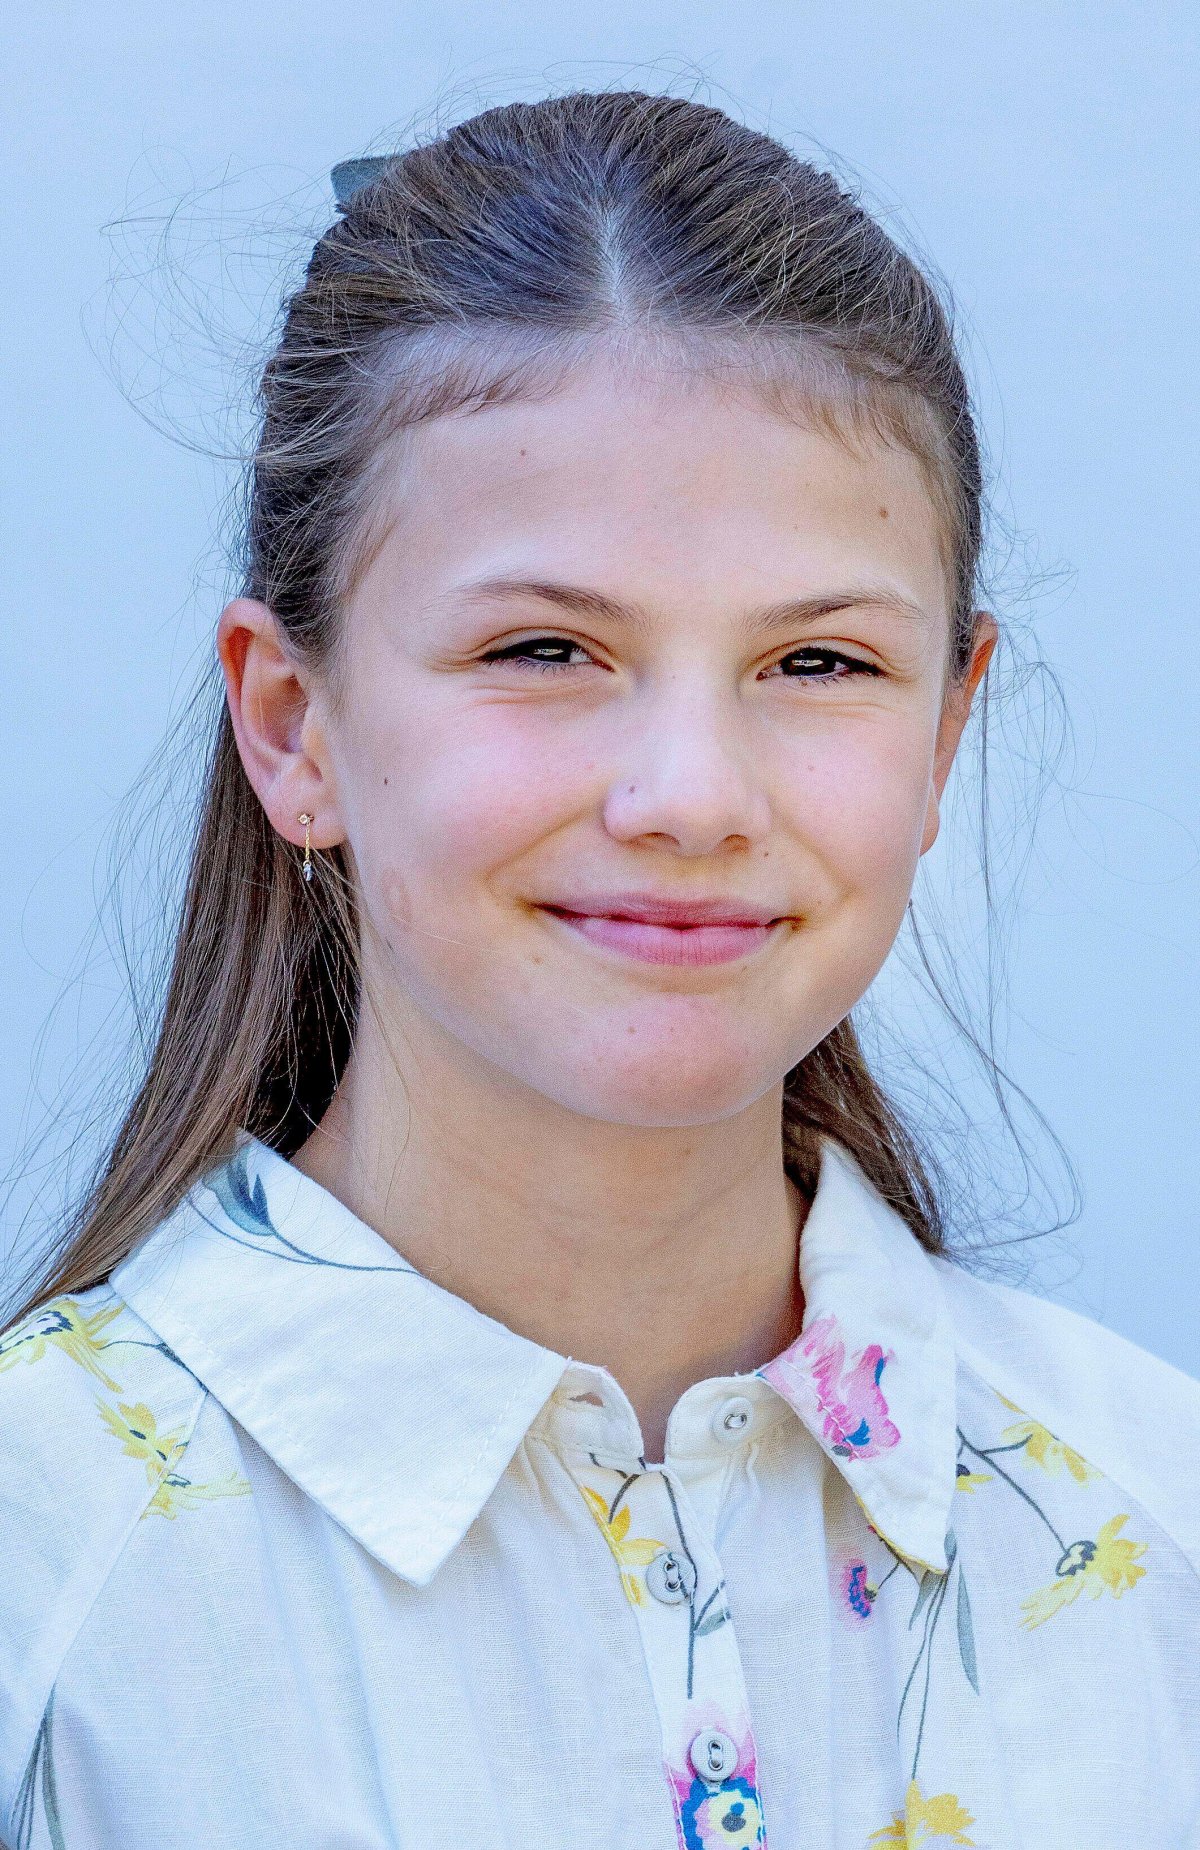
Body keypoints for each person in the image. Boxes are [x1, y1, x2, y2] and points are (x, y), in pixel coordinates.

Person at [0, 89, 1196, 1850]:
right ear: (292, 720)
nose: (692, 796)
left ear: (949, 731)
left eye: (817, 663)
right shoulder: (43, 1570)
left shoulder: (1158, 1522)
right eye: (545, 646)